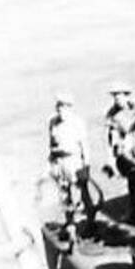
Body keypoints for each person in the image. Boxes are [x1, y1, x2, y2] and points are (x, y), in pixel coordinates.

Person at [46, 93, 95, 239]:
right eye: (59, 106)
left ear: (70, 107)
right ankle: (70, 224)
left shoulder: (77, 122)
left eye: (64, 106)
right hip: (59, 162)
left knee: (83, 192)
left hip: (74, 161)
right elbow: (51, 143)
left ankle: (91, 222)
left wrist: (86, 165)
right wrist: (51, 163)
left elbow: (84, 145)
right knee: (64, 194)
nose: (61, 109)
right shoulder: (53, 122)